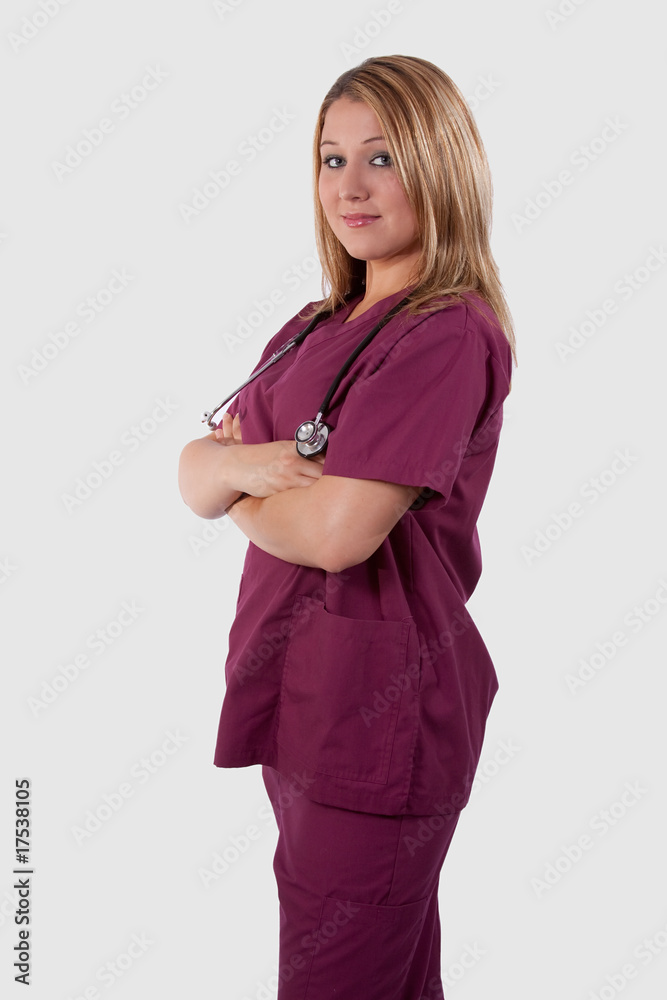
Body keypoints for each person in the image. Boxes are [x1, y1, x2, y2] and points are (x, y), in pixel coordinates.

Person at [179, 54, 516, 1000]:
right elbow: (192, 471)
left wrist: (235, 482)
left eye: (382, 157)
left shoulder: (445, 332)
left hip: (378, 719)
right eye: (332, 160)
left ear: (439, 164)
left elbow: (337, 535)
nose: (351, 186)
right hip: (303, 701)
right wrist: (249, 473)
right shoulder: (315, 321)